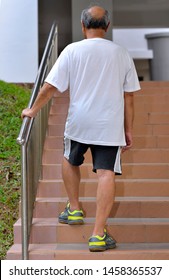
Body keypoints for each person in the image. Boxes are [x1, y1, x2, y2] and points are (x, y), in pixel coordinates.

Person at [22, 5, 140, 252]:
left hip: (79, 121)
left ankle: (74, 208)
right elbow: (129, 97)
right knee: (106, 173)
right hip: (109, 125)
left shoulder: (71, 51)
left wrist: (32, 111)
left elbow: (51, 86)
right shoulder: (121, 53)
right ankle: (98, 235)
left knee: (70, 159)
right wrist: (128, 130)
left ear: (82, 25)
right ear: (107, 27)